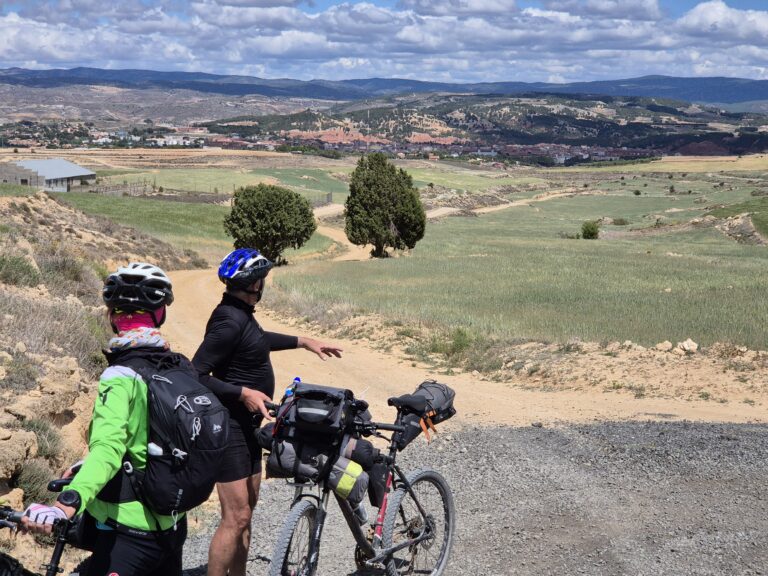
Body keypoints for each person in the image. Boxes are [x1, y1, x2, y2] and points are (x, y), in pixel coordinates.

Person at [21, 262, 188, 576]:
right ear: (160, 313)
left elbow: (109, 449)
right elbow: (153, 438)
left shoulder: (120, 375)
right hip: (172, 523)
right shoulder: (177, 365)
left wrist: (66, 503)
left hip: (130, 532)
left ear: (112, 316)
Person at [193, 248, 343, 576]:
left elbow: (257, 340)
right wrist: (242, 392)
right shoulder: (229, 321)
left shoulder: (240, 314)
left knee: (246, 514)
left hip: (248, 428)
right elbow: (195, 374)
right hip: (229, 428)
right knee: (235, 518)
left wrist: (303, 340)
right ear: (255, 284)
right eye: (263, 279)